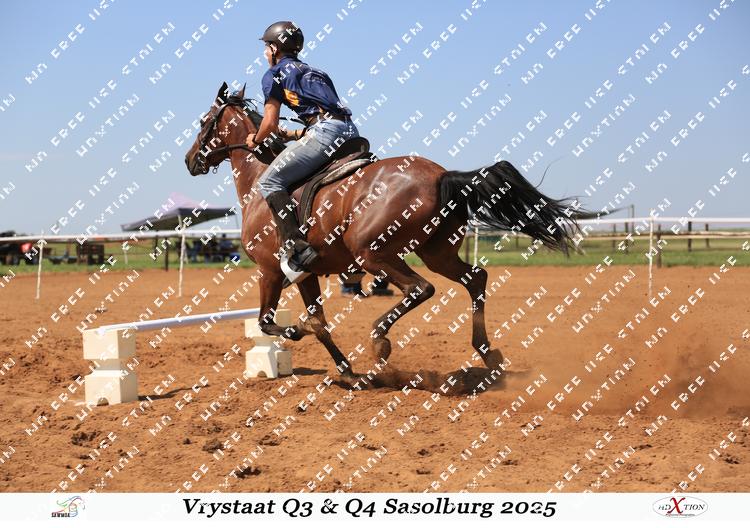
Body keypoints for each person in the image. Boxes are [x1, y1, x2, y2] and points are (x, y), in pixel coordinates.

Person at [247, 20, 359, 282]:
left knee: (270, 181)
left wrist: (256, 138)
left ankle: (297, 248)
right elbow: (325, 115)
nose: (265, 52)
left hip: (324, 132)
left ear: (275, 48)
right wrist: (292, 135)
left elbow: (269, 123)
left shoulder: (273, 74)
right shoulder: (316, 71)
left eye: (266, 47)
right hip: (349, 131)